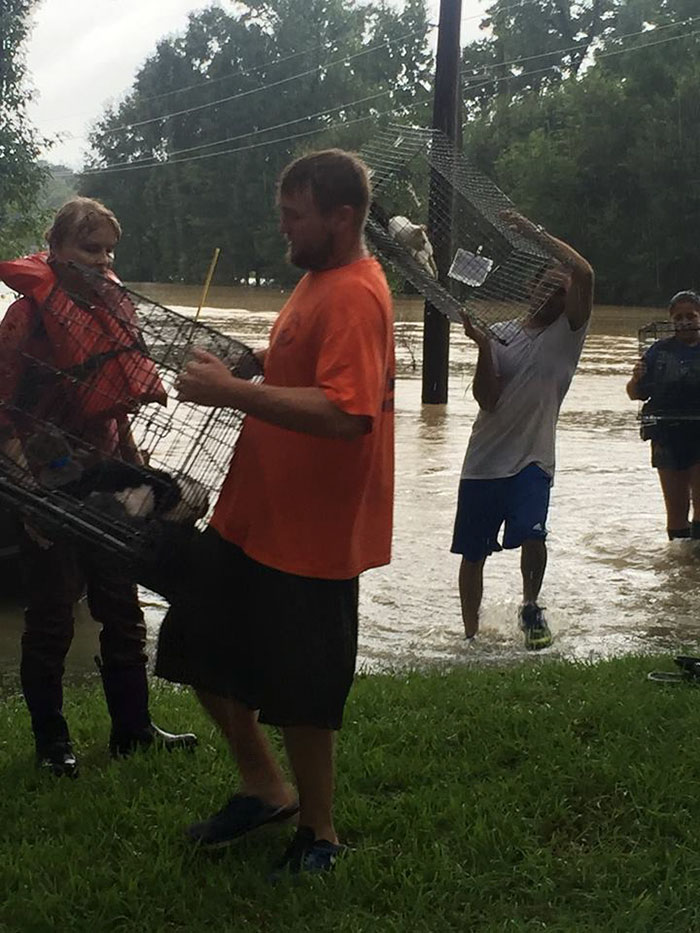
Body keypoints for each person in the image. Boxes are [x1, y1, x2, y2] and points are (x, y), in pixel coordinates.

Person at [154, 149, 395, 877]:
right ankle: (264, 786)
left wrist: (231, 392)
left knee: (303, 693)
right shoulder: (318, 278)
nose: (283, 227)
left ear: (341, 217)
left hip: (309, 536)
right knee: (196, 644)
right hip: (252, 517)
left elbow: (347, 413)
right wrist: (256, 360)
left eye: (295, 216)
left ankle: (320, 832)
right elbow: (306, 363)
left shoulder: (355, 293)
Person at [0, 197, 197, 778]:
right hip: (46, 480)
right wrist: (25, 488)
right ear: (56, 249)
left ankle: (133, 730)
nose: (103, 260)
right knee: (52, 615)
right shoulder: (24, 318)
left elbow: (113, 407)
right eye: (90, 249)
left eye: (109, 251)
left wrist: (136, 468)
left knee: (122, 608)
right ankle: (51, 743)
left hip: (106, 477)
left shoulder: (108, 309)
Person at [451, 210, 594, 650]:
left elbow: (585, 273)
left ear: (569, 300)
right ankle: (471, 635)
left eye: (561, 290)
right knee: (473, 553)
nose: (551, 294)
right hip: (483, 460)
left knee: (534, 533)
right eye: (545, 285)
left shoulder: (569, 333)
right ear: (530, 288)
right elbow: (487, 400)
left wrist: (535, 233)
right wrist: (482, 347)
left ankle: (531, 606)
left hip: (534, 458)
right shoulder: (500, 333)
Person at [626, 290, 700, 539]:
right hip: (666, 434)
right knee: (676, 510)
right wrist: (636, 378)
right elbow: (635, 394)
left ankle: (694, 560)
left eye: (691, 316)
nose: (685, 322)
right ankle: (678, 560)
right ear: (671, 320)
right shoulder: (658, 351)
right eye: (679, 317)